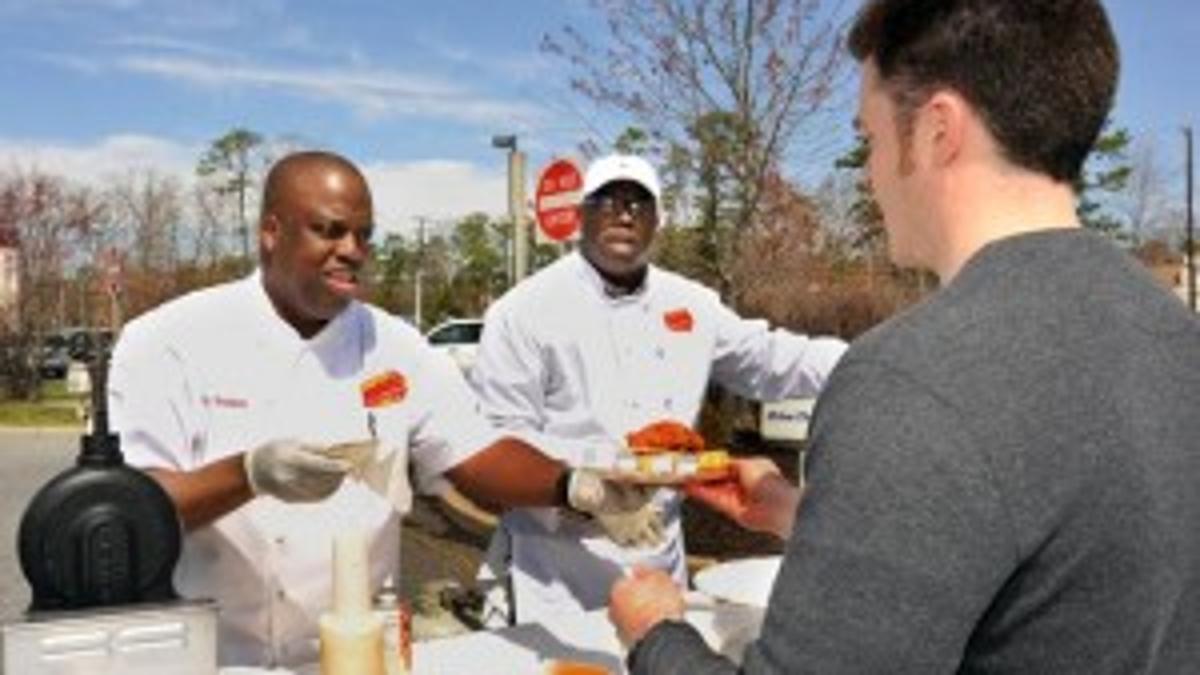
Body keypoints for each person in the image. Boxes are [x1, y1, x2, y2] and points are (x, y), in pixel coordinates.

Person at [609, 0, 1200, 672]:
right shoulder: (1175, 341)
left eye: (870, 138)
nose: (869, 172)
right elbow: (1070, 570)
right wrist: (810, 517)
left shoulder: (909, 381)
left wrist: (655, 632)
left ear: (937, 130)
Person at [107, 150, 649, 668]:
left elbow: (479, 454)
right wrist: (249, 473)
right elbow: (136, 508)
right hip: (217, 656)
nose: (353, 250)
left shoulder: (395, 346)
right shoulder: (171, 340)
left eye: (364, 234)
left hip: (358, 655)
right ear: (271, 232)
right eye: (330, 230)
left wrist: (573, 486)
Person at [469, 152, 847, 624]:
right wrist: (588, 486)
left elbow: (772, 360)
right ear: (581, 215)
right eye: (607, 199)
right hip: (558, 576)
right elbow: (496, 445)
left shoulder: (691, 304)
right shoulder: (524, 310)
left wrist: (876, 359)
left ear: (658, 222)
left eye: (638, 202)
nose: (623, 212)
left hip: (660, 569)